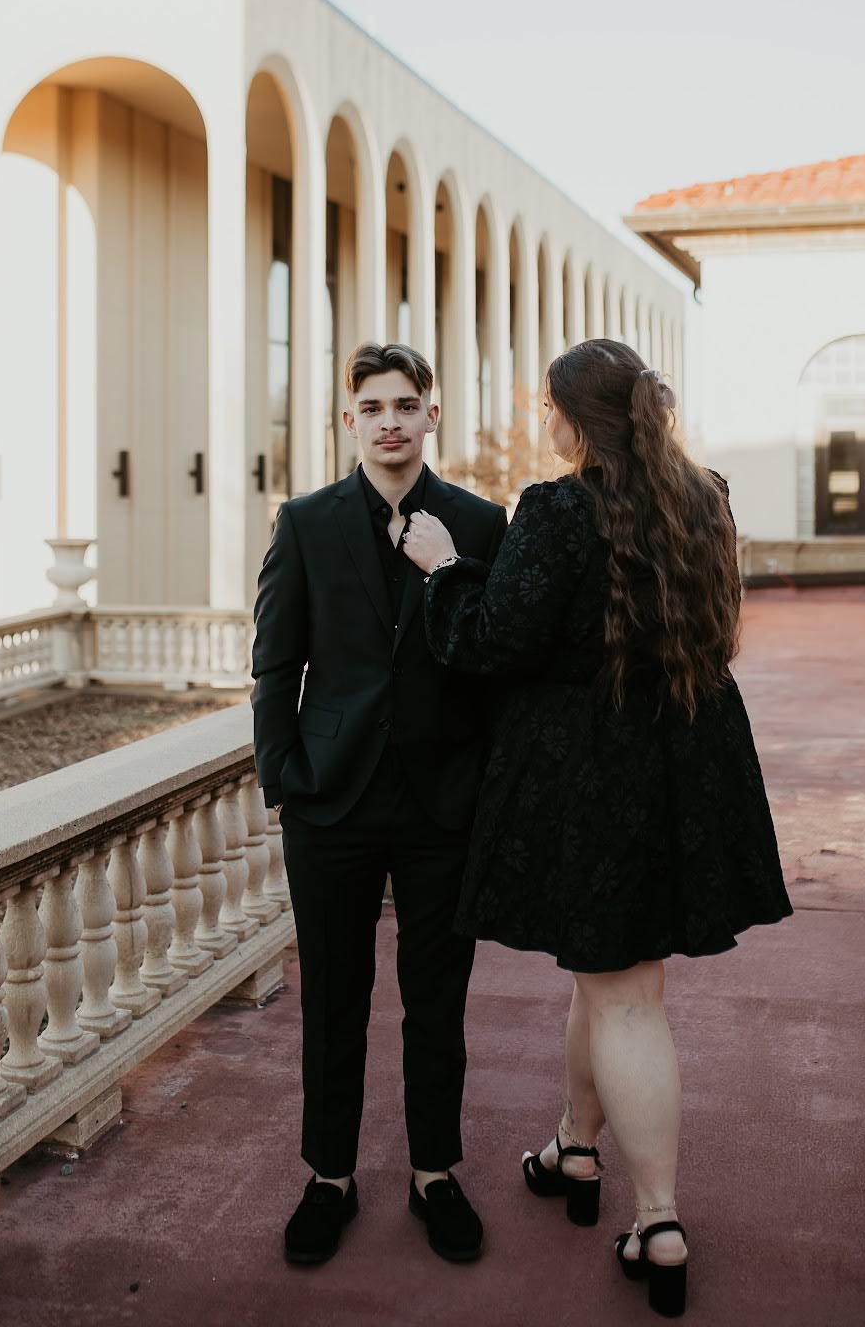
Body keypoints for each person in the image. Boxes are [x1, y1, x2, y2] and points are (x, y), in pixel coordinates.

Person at [403, 338, 792, 1318]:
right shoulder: (705, 494)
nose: (546, 424)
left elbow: (493, 637)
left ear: (578, 417)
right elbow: (721, 623)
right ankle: (574, 1150)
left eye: (551, 408)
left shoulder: (558, 506)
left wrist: (443, 566)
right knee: (607, 970)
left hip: (592, 774)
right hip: (686, 762)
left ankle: (658, 1217)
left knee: (626, 998)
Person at [251, 341, 507, 1268]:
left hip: (443, 806)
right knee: (335, 1001)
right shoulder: (307, 522)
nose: (390, 420)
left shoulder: (481, 523)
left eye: (406, 404)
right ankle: (329, 1177)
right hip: (331, 805)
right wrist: (281, 780)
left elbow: (494, 665)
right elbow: (276, 664)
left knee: (436, 1004)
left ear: (431, 415)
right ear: (348, 421)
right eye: (371, 407)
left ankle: (435, 1173)